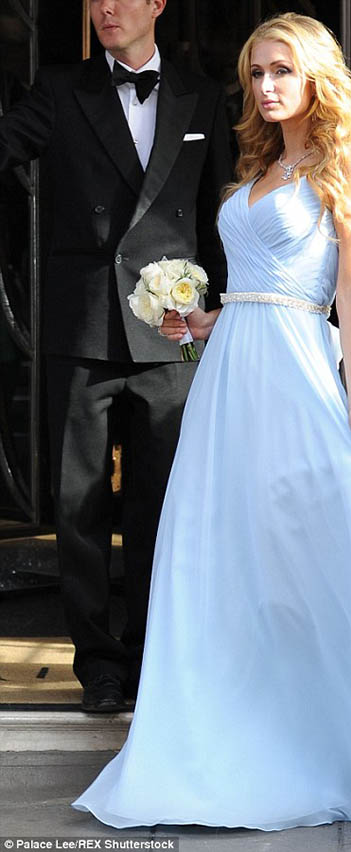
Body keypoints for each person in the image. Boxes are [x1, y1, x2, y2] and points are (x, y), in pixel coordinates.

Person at [72, 13, 351, 839]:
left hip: (297, 377)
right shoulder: (261, 162)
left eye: (282, 70)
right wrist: (204, 319)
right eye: (256, 73)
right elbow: (260, 285)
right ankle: (221, 741)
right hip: (228, 377)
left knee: (316, 556)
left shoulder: (347, 163)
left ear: (317, 75)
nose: (266, 86)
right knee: (222, 552)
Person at [0, 0, 232, 712]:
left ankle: (150, 656)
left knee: (161, 505)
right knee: (79, 507)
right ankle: (98, 665)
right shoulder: (59, 90)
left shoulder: (203, 94)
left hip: (171, 329)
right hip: (84, 328)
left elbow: (221, 212)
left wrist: (226, 310)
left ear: (157, 4)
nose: (106, 8)